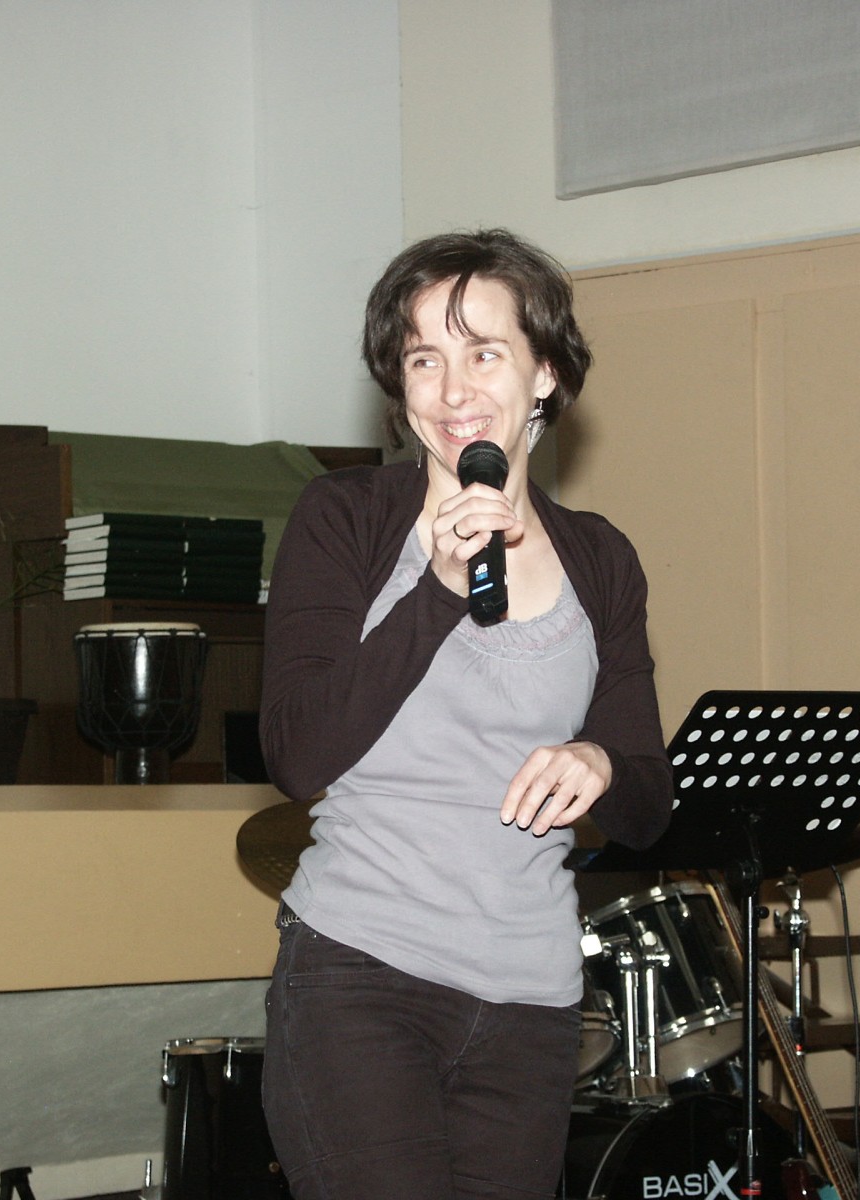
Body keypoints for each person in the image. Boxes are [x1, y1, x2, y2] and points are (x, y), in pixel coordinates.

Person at [258, 228, 672, 1200]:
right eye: (423, 359)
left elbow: (649, 802)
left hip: (532, 1002)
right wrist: (437, 590)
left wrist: (600, 765)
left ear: (545, 374)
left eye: (484, 352)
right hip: (360, 977)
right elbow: (296, 751)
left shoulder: (600, 558)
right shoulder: (345, 519)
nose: (452, 390)